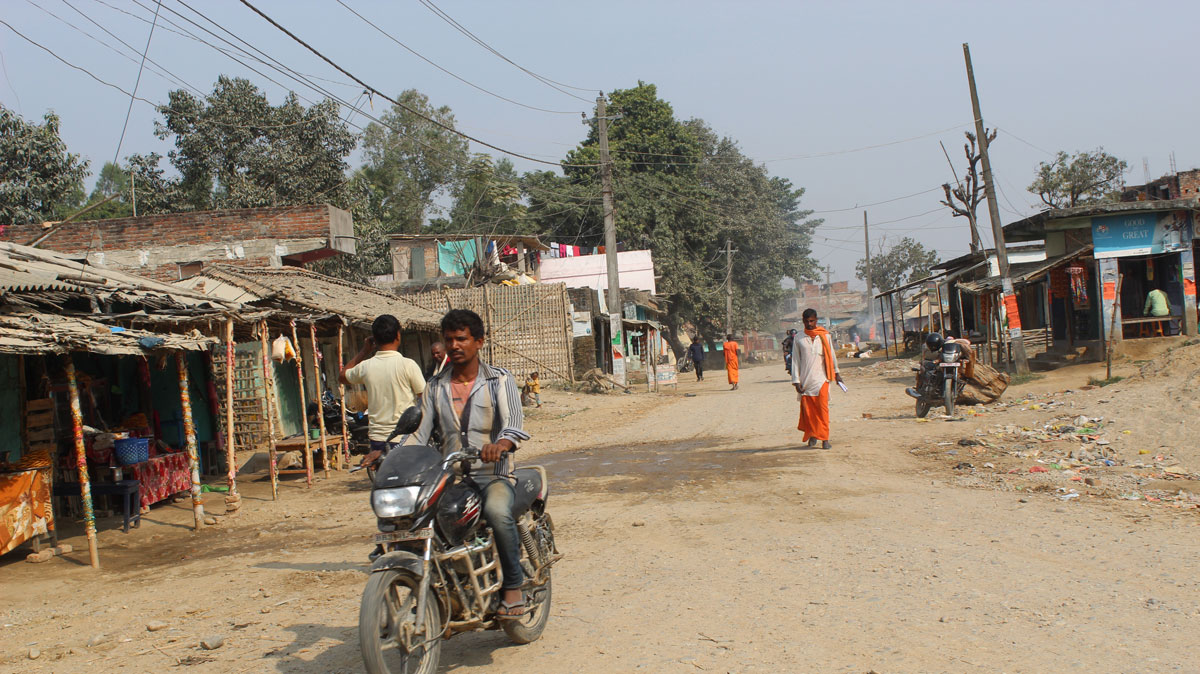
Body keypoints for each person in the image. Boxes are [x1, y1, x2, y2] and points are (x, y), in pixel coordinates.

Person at [412, 309, 531, 619]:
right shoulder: (435, 387)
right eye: (449, 339)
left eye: (461, 339)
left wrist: (501, 444)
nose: (454, 345)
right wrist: (390, 453)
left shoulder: (499, 379)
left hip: (493, 474)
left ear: (479, 342)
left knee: (496, 512)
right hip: (451, 478)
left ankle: (514, 586)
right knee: (420, 520)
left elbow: (514, 422)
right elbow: (419, 434)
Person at [339, 315, 427, 469]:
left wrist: (364, 351)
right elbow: (425, 399)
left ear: (374, 339)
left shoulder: (366, 367)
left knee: (385, 484)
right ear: (398, 336)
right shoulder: (408, 365)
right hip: (405, 438)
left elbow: (342, 376)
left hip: (377, 440)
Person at [792, 309, 843, 449]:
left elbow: (831, 355)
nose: (809, 324)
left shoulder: (825, 336)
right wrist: (796, 380)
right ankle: (813, 434)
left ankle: (825, 438)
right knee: (809, 412)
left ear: (816, 320)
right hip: (805, 380)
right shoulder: (799, 338)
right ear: (803, 321)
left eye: (812, 321)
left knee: (822, 409)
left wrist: (837, 373)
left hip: (822, 379)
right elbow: (795, 360)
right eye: (807, 321)